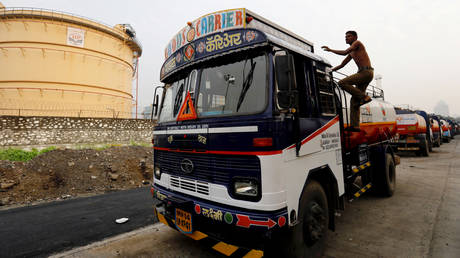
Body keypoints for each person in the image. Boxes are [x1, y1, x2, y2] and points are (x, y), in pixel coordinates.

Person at [322, 31, 373, 132]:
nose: (346, 38)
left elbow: (344, 52)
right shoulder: (352, 52)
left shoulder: (357, 43)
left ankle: (365, 97)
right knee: (354, 101)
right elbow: (342, 64)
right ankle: (355, 126)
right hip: (364, 73)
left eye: (349, 36)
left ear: (355, 37)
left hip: (366, 72)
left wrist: (330, 50)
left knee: (342, 83)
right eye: (345, 36)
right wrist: (331, 70)